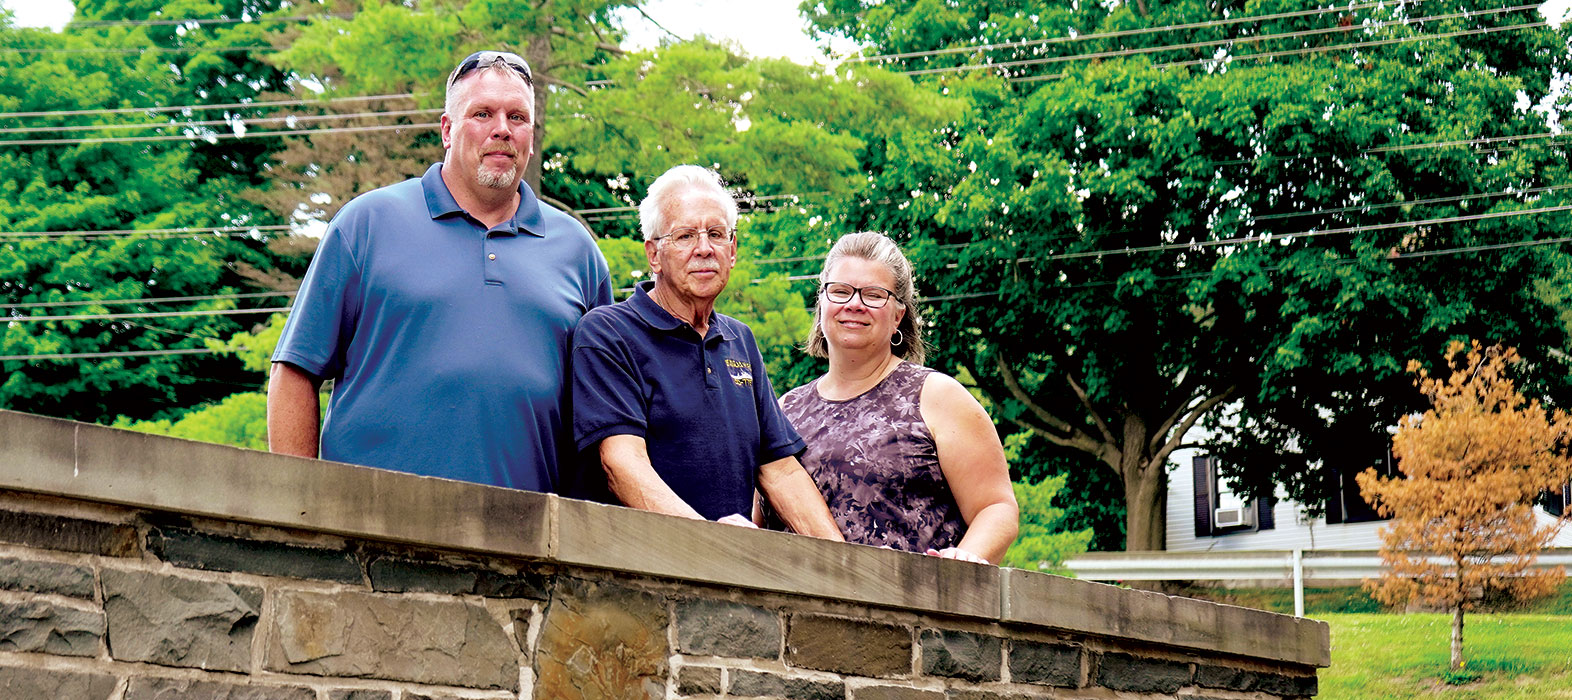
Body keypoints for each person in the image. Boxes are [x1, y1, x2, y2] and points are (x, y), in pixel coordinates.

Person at [265, 50, 614, 492]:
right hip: (371, 531)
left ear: (531, 134)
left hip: (528, 539)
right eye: (482, 113)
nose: (501, 129)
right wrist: (299, 506)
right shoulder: (367, 224)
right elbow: (295, 372)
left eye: (517, 117)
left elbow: (606, 413)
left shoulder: (577, 251)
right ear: (447, 130)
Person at [569, 165, 843, 541]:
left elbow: (780, 470)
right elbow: (621, 463)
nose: (704, 249)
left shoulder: (740, 341)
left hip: (723, 579)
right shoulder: (608, 332)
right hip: (632, 578)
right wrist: (710, 541)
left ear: (732, 251)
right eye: (684, 235)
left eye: (716, 234)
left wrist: (845, 563)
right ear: (654, 254)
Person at [778, 232, 1018, 563]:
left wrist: (965, 560)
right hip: (794, 608)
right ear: (821, 304)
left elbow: (997, 507)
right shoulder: (784, 411)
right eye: (840, 291)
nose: (854, 304)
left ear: (898, 316)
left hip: (913, 607)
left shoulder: (937, 397)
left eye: (874, 295)